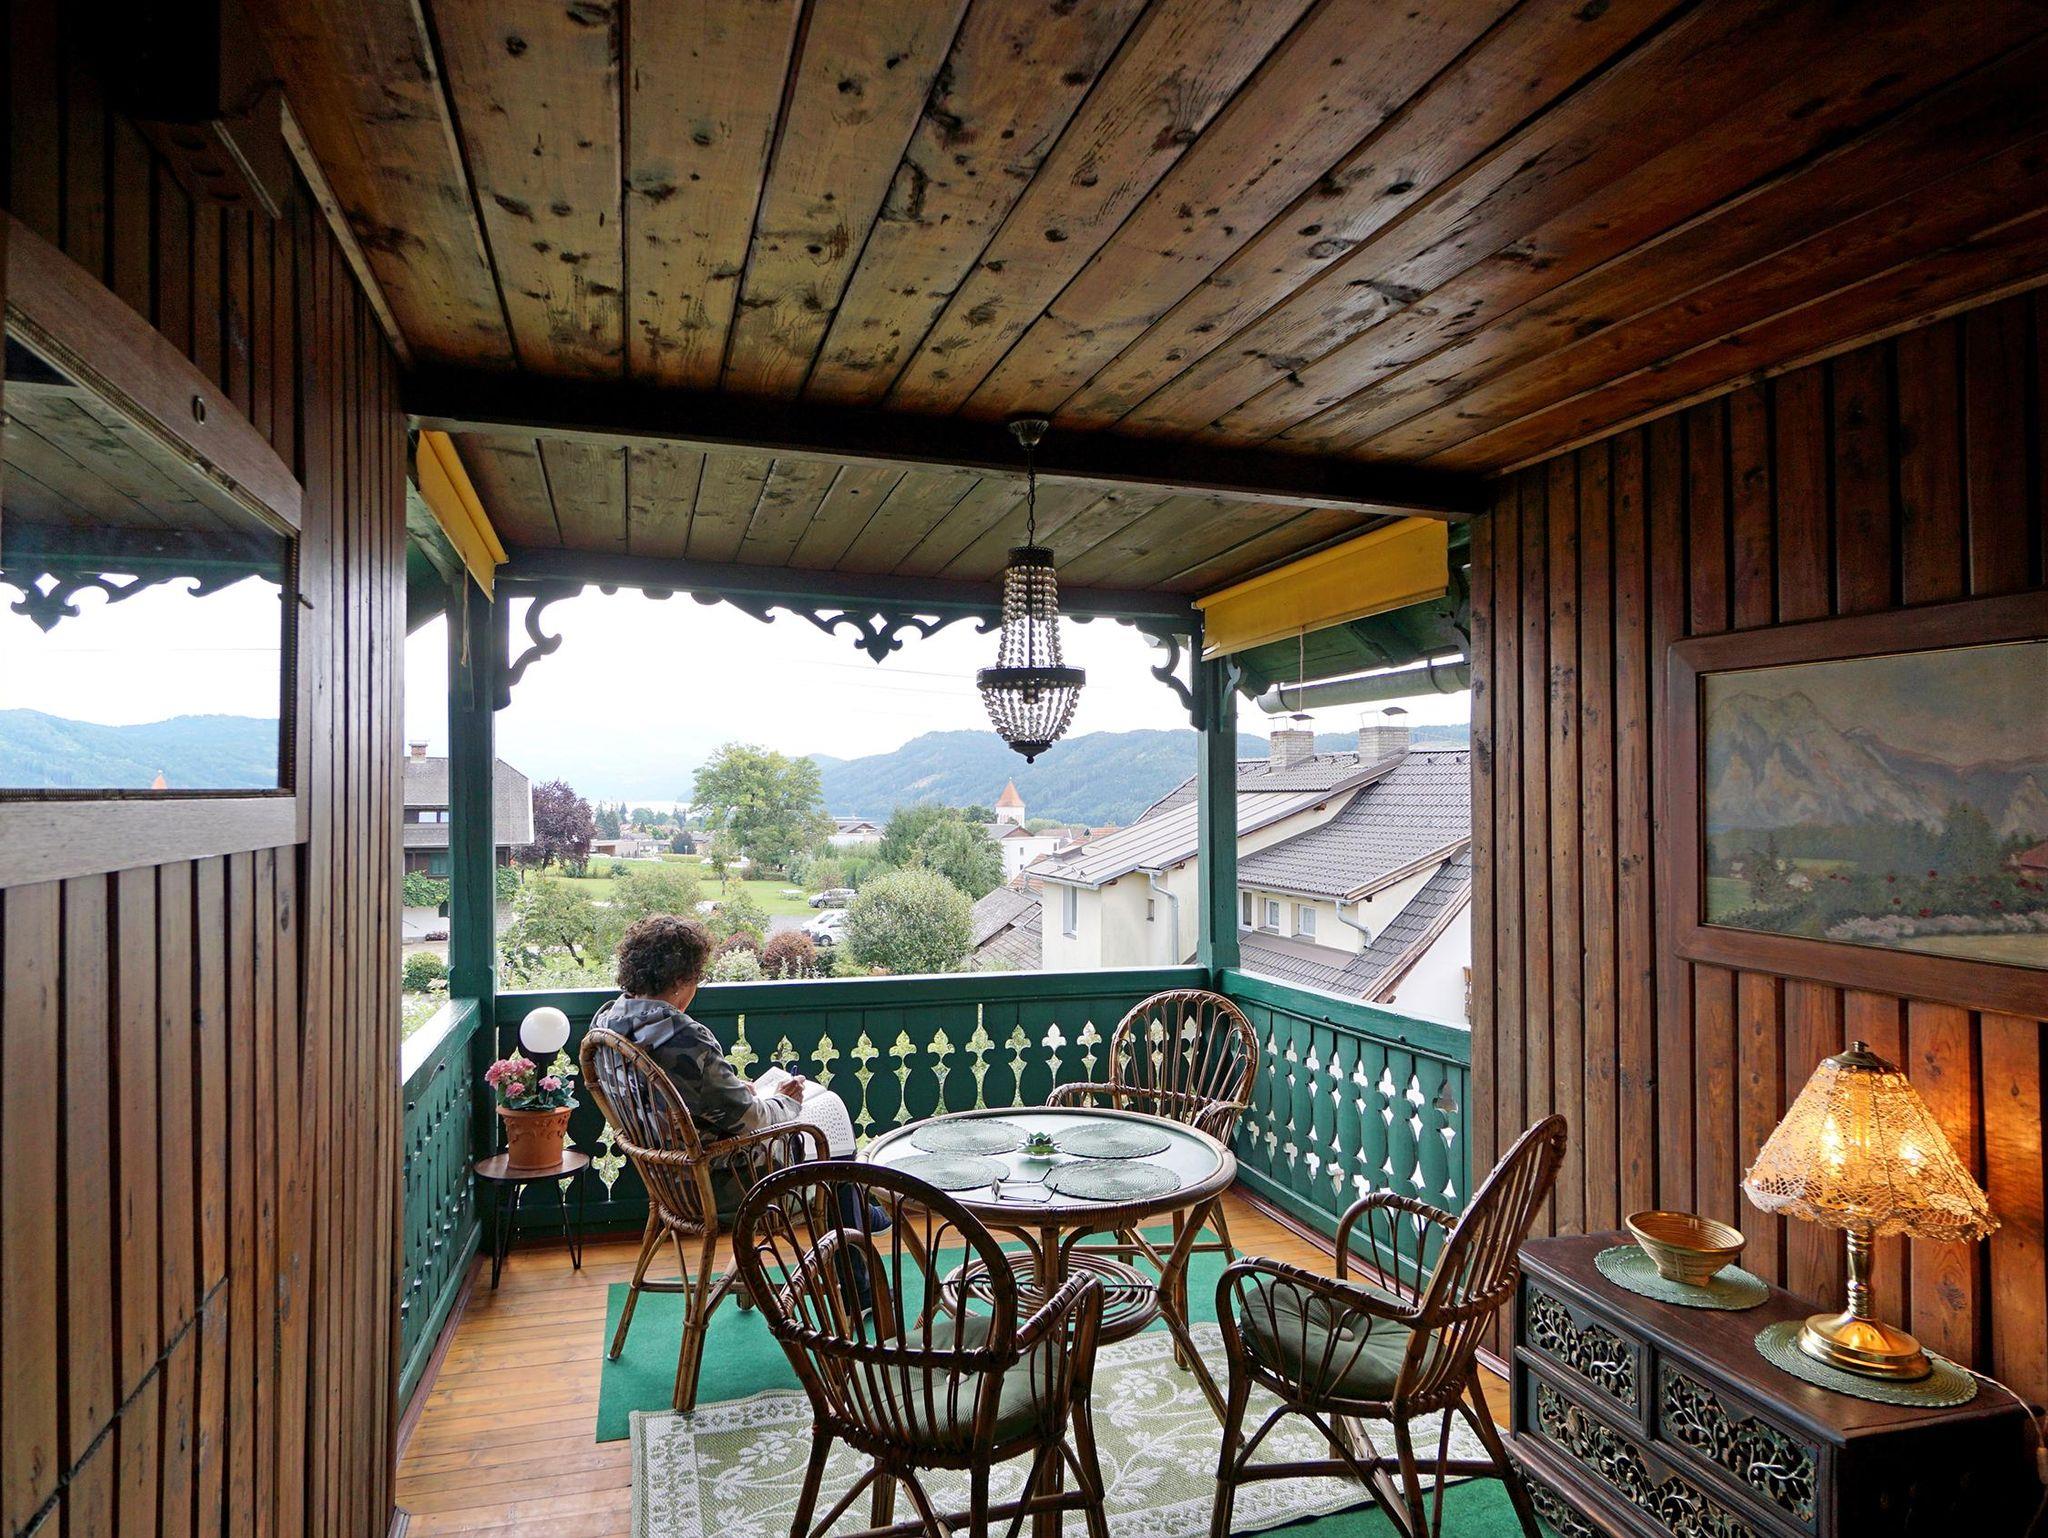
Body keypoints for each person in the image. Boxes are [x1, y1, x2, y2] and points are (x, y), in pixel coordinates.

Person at [589, 913, 885, 1307]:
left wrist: (733, 1091)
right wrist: (786, 1100)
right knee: (832, 1147)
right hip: (723, 1182)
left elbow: (667, 1097)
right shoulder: (682, 1038)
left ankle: (863, 1215)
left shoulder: (608, 1023)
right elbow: (753, 1120)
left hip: (666, 1178)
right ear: (681, 980)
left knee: (831, 1153)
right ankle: (859, 1288)